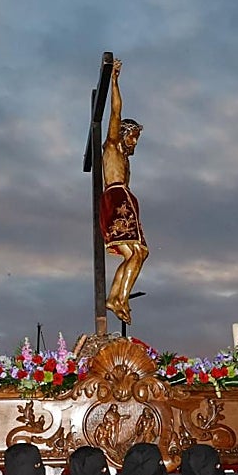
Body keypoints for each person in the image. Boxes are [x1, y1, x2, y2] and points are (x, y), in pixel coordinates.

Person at [100, 59, 148, 324]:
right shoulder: (113, 145)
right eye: (133, 136)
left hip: (124, 198)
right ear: (123, 133)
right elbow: (116, 111)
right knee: (139, 252)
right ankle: (119, 298)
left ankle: (116, 297)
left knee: (137, 253)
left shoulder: (124, 156)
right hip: (117, 197)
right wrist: (114, 80)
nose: (134, 142)